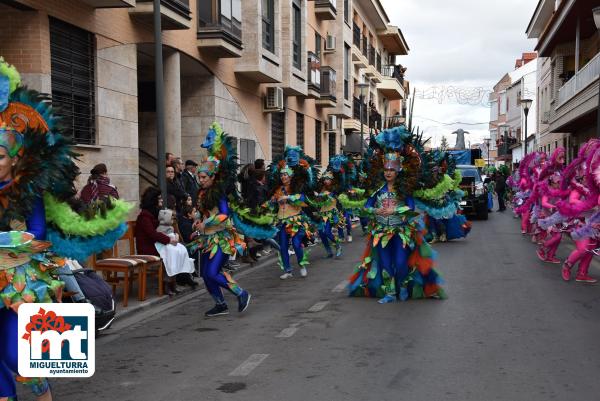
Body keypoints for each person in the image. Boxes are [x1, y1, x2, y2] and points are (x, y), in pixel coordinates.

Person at [192, 155, 251, 317]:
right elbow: (203, 212)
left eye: (204, 177)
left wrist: (207, 222)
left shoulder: (219, 193)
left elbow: (224, 214)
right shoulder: (202, 193)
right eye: (199, 177)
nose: (201, 180)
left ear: (212, 177)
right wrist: (197, 220)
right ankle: (220, 305)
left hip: (221, 239)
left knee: (212, 272)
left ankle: (241, 293)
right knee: (205, 274)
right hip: (207, 239)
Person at [135, 187, 182, 294]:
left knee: (178, 249)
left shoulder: (155, 212)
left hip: (156, 244)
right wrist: (169, 240)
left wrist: (174, 235)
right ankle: (166, 284)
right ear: (153, 200)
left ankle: (172, 282)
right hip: (148, 248)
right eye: (159, 198)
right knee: (170, 252)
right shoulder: (144, 216)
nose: (161, 200)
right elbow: (153, 234)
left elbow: (165, 227)